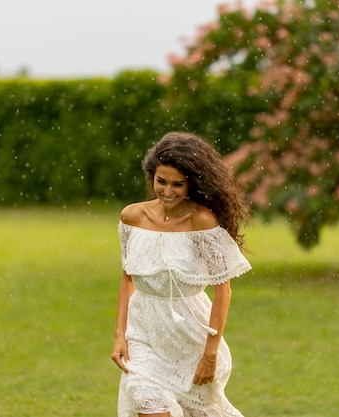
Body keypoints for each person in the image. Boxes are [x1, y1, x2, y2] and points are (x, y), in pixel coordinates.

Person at [111, 131, 252, 417]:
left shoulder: (202, 221)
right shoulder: (131, 217)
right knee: (146, 399)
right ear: (151, 175)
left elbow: (223, 290)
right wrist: (119, 336)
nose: (168, 191)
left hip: (191, 335)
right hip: (144, 333)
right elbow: (128, 278)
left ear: (192, 183)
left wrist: (210, 355)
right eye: (161, 181)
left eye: (178, 184)